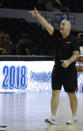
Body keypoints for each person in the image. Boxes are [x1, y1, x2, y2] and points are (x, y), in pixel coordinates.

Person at [29, 8, 80, 125]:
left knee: (71, 93)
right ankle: (52, 116)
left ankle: (74, 116)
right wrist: (38, 15)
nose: (61, 25)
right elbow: (46, 24)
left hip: (69, 70)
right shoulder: (56, 34)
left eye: (63, 24)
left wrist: (68, 61)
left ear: (69, 28)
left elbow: (76, 54)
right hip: (57, 69)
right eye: (60, 24)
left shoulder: (74, 40)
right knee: (55, 92)